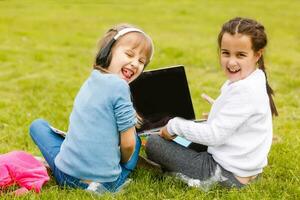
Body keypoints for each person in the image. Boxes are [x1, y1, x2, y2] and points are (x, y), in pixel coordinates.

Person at [145, 17, 278, 190]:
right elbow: (241, 116)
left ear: (257, 55)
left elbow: (215, 136)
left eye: (241, 55)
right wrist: (218, 111)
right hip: (239, 163)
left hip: (226, 174)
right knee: (183, 137)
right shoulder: (255, 77)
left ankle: (189, 173)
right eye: (225, 53)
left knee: (155, 143)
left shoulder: (245, 90)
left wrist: (174, 126)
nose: (231, 62)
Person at [29, 24, 154, 194]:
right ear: (108, 52)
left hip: (67, 176)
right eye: (129, 54)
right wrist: (120, 161)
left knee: (38, 126)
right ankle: (108, 178)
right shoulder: (120, 87)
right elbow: (128, 144)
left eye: (141, 61)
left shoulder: (93, 78)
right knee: (136, 141)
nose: (135, 64)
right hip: (106, 184)